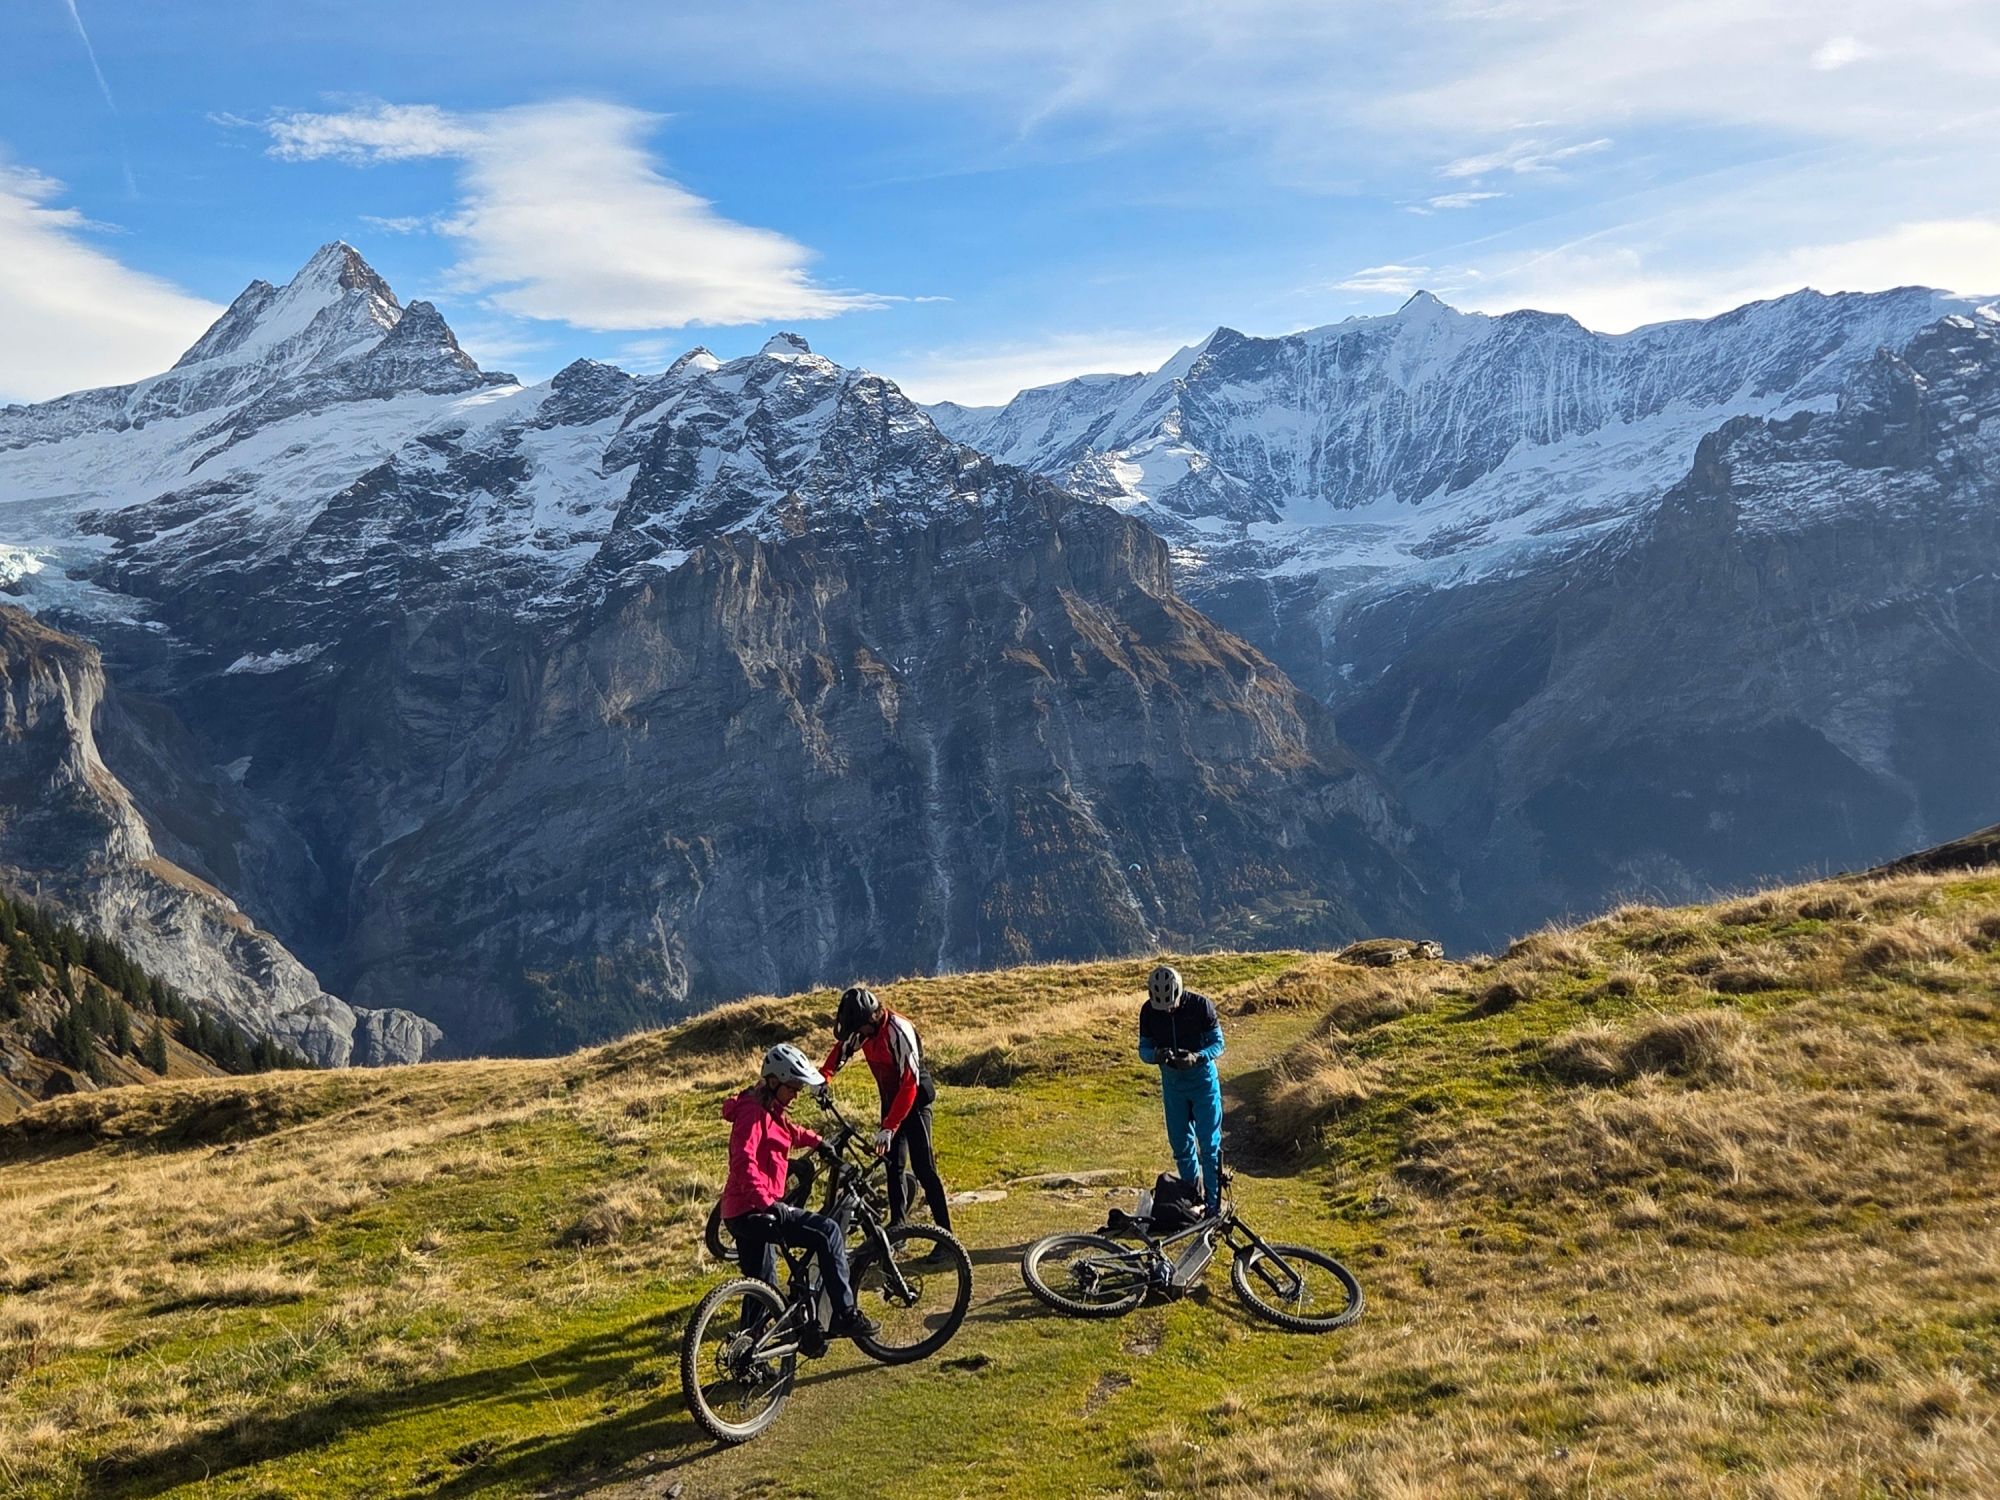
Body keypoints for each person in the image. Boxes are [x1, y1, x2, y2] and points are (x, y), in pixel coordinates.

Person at [720, 1042, 877, 1340]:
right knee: (828, 1232)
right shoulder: (753, 1113)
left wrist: (818, 1142)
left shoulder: (766, 1107)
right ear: (774, 1081)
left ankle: (748, 1351)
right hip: (754, 1210)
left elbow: (787, 1131)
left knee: (762, 1285)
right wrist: (768, 1203)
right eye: (792, 1088)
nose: (795, 1094)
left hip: (741, 1211)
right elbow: (743, 1162)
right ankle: (845, 1315)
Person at [822, 986, 953, 1234]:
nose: (858, 1035)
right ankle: (898, 1228)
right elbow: (841, 1050)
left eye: (859, 1029)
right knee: (893, 1165)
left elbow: (910, 1083)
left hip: (915, 1102)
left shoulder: (898, 1030)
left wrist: (890, 1127)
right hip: (891, 1102)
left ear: (871, 1019)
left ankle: (946, 1236)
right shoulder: (864, 1031)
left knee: (924, 1169)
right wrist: (823, 1078)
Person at [1136, 963, 1226, 1218]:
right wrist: (1156, 1055)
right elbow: (1143, 1049)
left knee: (1208, 1145)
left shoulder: (1201, 1006)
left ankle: (1213, 1205)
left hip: (1203, 1082)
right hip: (1173, 1085)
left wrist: (1197, 1057)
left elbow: (1218, 1043)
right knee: (1181, 1145)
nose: (1167, 1010)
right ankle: (1192, 1199)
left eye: (1171, 1005)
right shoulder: (1148, 1012)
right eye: (1162, 1007)